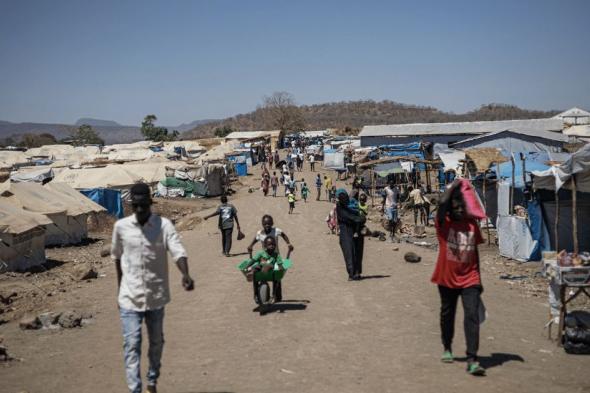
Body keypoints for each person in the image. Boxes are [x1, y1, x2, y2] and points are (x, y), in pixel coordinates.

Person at [111, 183, 194, 393]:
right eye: (136, 206)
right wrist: (119, 289)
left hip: (156, 297)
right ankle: (135, 389)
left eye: (144, 206)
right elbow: (118, 259)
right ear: (131, 205)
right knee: (132, 345)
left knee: (156, 342)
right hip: (129, 298)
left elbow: (177, 251)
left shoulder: (163, 226)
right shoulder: (120, 228)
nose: (140, 210)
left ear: (150, 203)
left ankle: (152, 379)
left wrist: (185, 274)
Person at [431, 179, 486, 376]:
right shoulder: (442, 225)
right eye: (456, 207)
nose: (460, 210)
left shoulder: (472, 226)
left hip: (470, 278)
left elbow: (475, 253)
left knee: (471, 316)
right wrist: (454, 186)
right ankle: (447, 346)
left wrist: (479, 279)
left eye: (462, 206)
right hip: (446, 278)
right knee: (448, 315)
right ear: (450, 210)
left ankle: (472, 359)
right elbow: (442, 204)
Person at [335, 189, 365, 281]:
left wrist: (360, 219)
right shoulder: (340, 207)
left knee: (357, 251)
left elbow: (360, 216)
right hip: (345, 231)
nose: (343, 199)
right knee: (349, 252)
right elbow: (347, 217)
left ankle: (357, 272)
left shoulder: (353, 205)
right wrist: (358, 219)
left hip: (356, 230)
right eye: (341, 198)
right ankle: (351, 273)